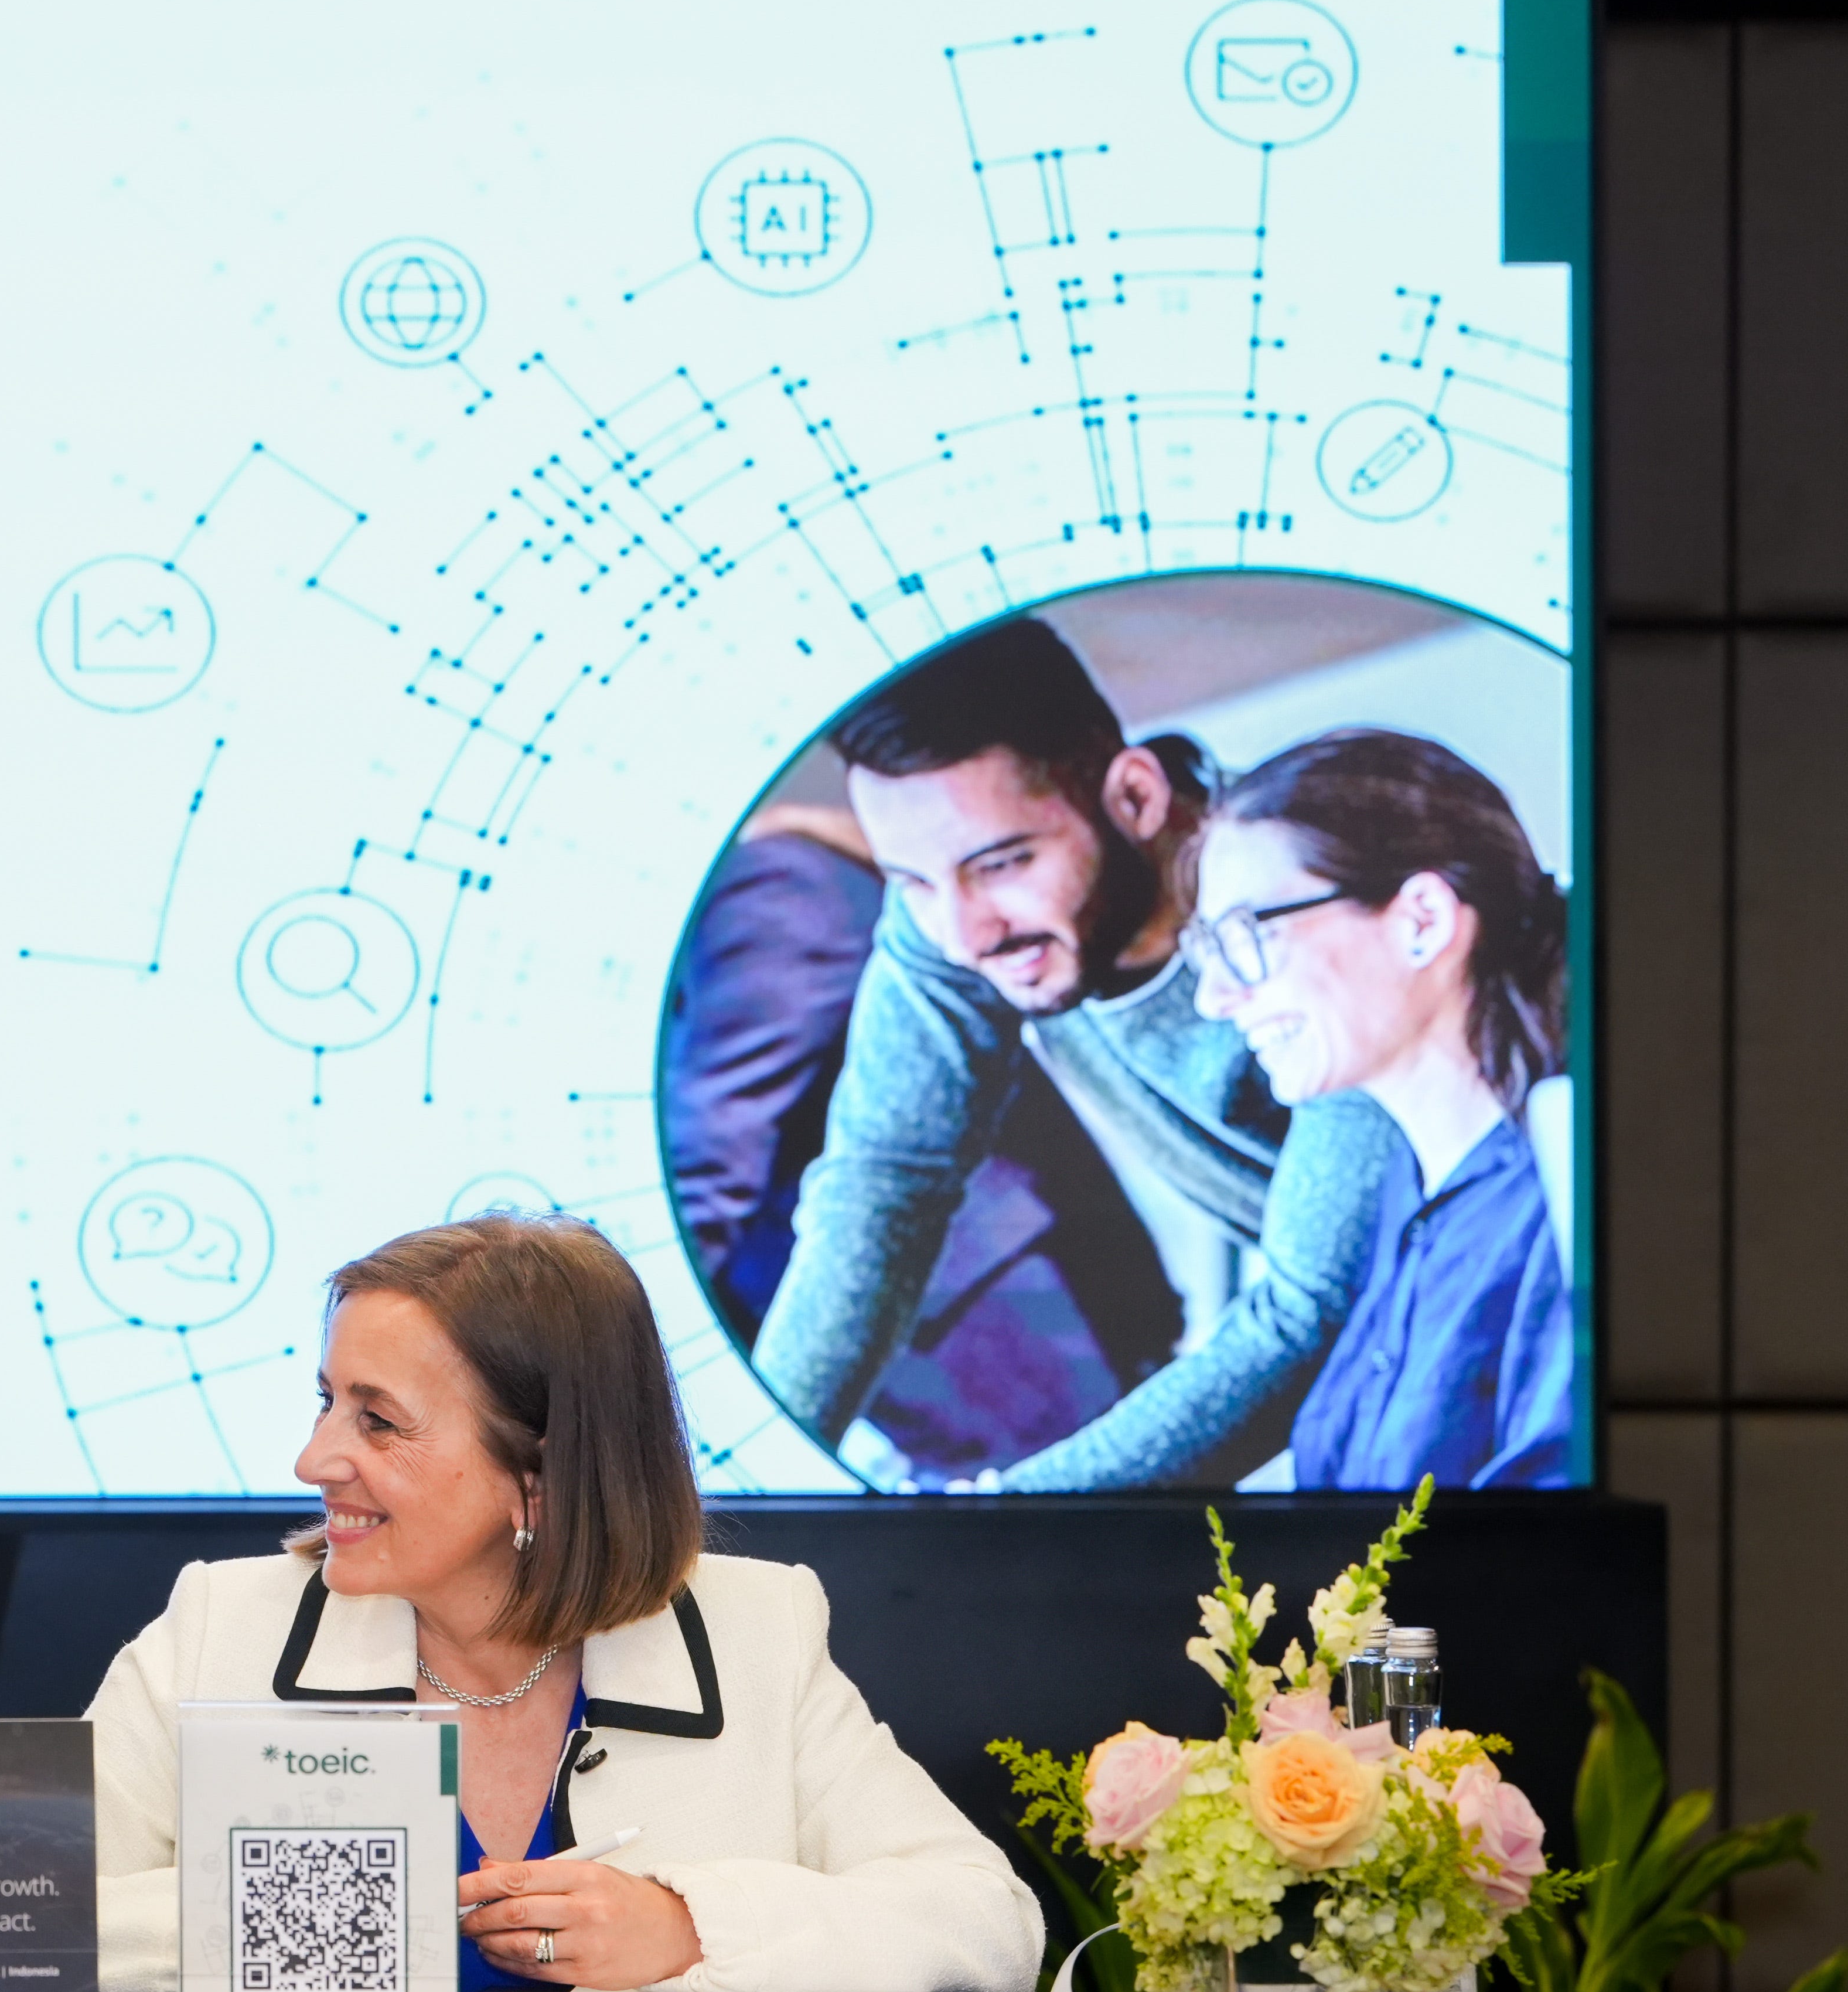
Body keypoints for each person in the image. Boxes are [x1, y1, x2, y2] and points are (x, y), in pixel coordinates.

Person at [84, 1214, 1040, 1992]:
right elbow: (33, 1923)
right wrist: (316, 1919)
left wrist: (688, 1928)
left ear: (539, 1474)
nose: (313, 1459)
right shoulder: (220, 1625)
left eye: (377, 1420)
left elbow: (987, 1923)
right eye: (326, 1401)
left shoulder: (756, 1629)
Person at [748, 612, 1411, 1489]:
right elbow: (882, 1184)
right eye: (912, 882)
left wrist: (1003, 1522)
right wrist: (743, 1485)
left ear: (1134, 797)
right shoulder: (959, 922)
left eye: (1002, 864)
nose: (965, 934)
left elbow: (1316, 1310)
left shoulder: (1316, 901)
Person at [662, 802, 1184, 1480]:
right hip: (965, 1305)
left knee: (1077, 1526)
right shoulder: (774, 878)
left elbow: (715, 1160)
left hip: (988, 1308)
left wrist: (606, 1347)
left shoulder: (774, 888)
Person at [1187, 729, 1574, 1489]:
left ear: (1423, 920)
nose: (1214, 996)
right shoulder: (1406, 1195)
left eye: (1247, 936)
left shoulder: (1567, 1206)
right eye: (1208, 947)